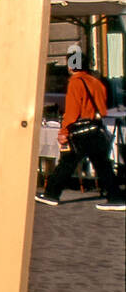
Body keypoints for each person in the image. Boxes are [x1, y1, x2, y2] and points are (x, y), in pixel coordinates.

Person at [37, 52, 125, 211]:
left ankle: (51, 194)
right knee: (103, 165)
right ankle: (116, 197)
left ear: (71, 66)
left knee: (66, 163)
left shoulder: (75, 83)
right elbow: (103, 110)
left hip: (80, 131)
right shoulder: (97, 82)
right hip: (96, 128)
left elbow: (72, 111)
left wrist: (63, 131)